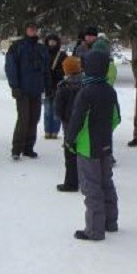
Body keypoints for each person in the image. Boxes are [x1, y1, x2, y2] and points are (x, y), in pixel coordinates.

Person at [65, 51, 121, 241]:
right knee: (107, 183)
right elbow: (116, 118)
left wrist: (70, 140)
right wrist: (105, 131)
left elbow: (77, 120)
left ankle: (95, 230)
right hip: (105, 145)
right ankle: (110, 222)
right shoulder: (109, 90)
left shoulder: (86, 92)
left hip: (87, 147)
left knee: (91, 187)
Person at [5, 20, 50, 159]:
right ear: (25, 30)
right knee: (23, 119)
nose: (32, 31)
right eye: (30, 29)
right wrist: (15, 86)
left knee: (34, 119)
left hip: (36, 89)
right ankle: (16, 149)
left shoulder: (41, 48)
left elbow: (46, 69)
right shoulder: (17, 47)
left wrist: (47, 86)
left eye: (35, 29)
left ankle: (28, 147)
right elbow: (10, 67)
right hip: (22, 89)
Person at [54, 56, 84, 192]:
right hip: (84, 124)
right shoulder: (86, 83)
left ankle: (71, 183)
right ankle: (87, 180)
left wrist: (61, 117)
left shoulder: (64, 86)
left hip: (69, 124)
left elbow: (58, 109)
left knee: (70, 154)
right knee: (84, 153)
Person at [44, 33, 68, 139]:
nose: (52, 42)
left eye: (54, 41)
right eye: (50, 40)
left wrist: (58, 73)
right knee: (47, 110)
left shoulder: (62, 55)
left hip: (58, 85)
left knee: (56, 109)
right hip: (46, 85)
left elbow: (66, 70)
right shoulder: (43, 53)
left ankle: (55, 131)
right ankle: (47, 130)